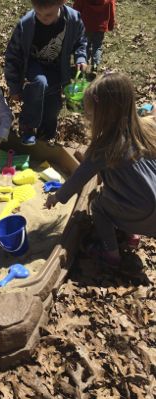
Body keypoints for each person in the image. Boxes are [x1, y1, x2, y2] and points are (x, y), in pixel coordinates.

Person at [45, 72, 156, 268]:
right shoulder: (145, 127)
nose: (88, 117)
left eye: (90, 113)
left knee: (98, 206)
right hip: (151, 204)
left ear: (102, 116)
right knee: (126, 189)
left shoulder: (103, 149)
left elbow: (77, 179)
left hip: (141, 210)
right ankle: (132, 236)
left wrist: (57, 197)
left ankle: (111, 254)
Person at [4, 0, 87, 146]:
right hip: (33, 65)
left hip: (58, 68)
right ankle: (28, 127)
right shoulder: (26, 24)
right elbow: (12, 56)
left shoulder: (73, 20)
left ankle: (46, 133)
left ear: (62, 3)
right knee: (39, 83)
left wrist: (81, 56)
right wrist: (14, 86)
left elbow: (81, 40)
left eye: (48, 14)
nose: (43, 18)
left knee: (53, 105)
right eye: (38, 13)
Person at [73, 0, 115, 72]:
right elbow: (112, 13)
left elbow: (76, 9)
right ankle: (95, 65)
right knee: (97, 46)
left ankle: (83, 64)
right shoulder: (109, 1)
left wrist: (75, 23)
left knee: (85, 45)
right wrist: (111, 25)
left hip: (85, 25)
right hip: (100, 28)